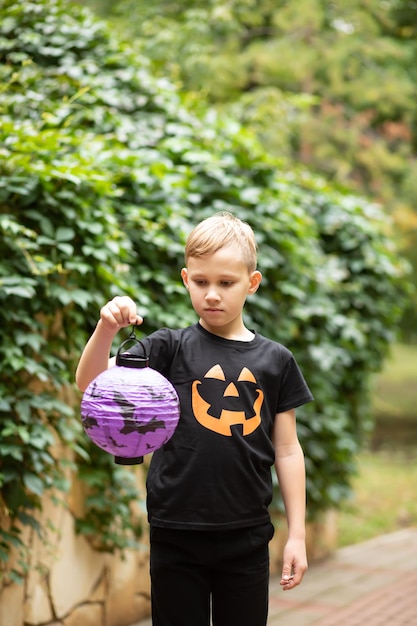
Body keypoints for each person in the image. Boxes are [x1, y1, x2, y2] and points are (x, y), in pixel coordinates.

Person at [76, 212, 313, 626]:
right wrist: (106, 327)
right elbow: (90, 382)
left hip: (247, 534)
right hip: (175, 530)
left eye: (226, 283)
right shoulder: (169, 348)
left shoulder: (276, 361)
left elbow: (288, 450)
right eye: (201, 282)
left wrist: (297, 535)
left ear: (251, 284)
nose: (212, 295)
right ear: (186, 279)